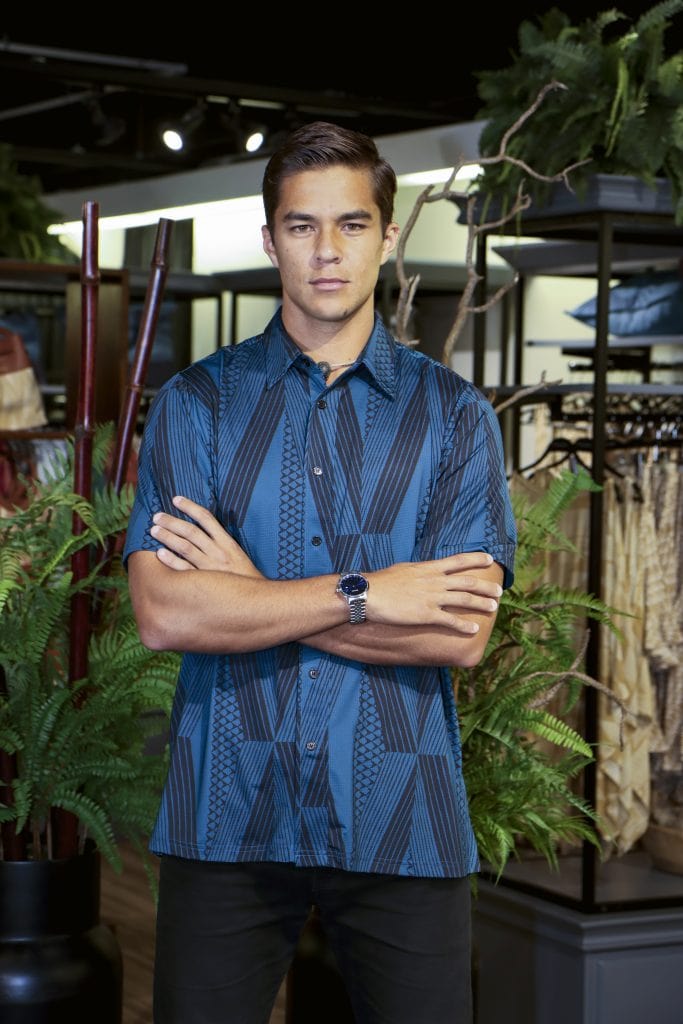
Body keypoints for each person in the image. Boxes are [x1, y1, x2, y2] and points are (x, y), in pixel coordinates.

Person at [123, 120, 517, 1024]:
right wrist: (369, 591)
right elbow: (166, 616)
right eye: (302, 227)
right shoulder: (198, 405)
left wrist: (247, 596)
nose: (327, 252)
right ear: (270, 240)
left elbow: (458, 633)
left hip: (401, 820)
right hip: (223, 817)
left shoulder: (453, 420)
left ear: (388, 236)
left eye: (351, 224)